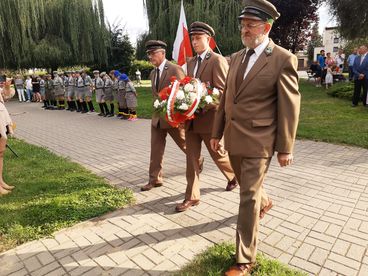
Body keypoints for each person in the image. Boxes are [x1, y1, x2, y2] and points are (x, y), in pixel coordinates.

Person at [210, 0, 300, 274]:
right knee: (250, 188)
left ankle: (245, 259)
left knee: (247, 196)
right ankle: (266, 201)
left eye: (250, 25)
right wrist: (216, 132)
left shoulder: (283, 59)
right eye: (243, 25)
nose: (244, 30)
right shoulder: (237, 57)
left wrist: (285, 147)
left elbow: (289, 104)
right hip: (233, 137)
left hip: (260, 140)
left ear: (267, 26)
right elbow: (226, 97)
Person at [175, 22, 237, 213]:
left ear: (208, 39)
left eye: (198, 38)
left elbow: (223, 91)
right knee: (191, 159)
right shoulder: (190, 62)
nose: (194, 42)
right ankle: (192, 197)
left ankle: (233, 175)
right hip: (191, 121)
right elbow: (187, 86)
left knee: (219, 155)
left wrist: (201, 100)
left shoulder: (217, 60)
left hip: (210, 120)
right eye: (192, 38)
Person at [140, 40, 188, 191]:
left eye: (153, 53)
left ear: (162, 53)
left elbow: (184, 92)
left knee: (184, 143)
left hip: (172, 118)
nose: (150, 57)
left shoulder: (175, 69)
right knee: (156, 149)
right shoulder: (153, 73)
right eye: (148, 54)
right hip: (157, 118)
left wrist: (179, 115)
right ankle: (155, 179)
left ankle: (198, 159)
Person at [0, 90, 15, 195]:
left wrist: (7, 86)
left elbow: (8, 95)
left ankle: (0, 181)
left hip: (1, 119)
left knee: (0, 153)